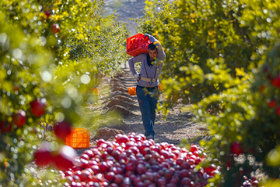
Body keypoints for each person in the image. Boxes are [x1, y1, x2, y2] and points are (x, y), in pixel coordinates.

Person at [128, 34, 166, 140]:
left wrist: (151, 38)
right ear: (148, 52)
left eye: (154, 53)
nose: (152, 55)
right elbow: (130, 61)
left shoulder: (160, 58)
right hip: (142, 88)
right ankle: (150, 134)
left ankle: (148, 132)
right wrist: (135, 75)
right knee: (145, 111)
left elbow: (160, 48)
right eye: (150, 53)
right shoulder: (144, 57)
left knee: (152, 112)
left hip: (154, 88)